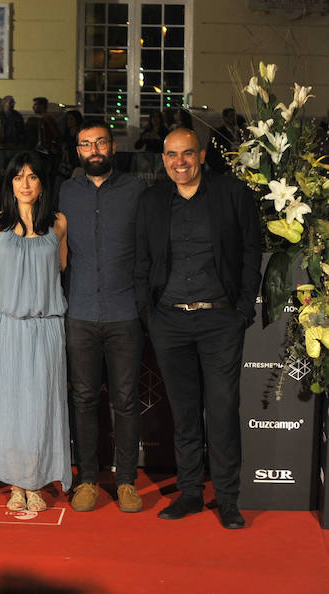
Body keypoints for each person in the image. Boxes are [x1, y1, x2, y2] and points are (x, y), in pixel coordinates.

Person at [135, 128, 261, 529]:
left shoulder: (231, 194)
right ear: (164, 159)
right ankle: (190, 492)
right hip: (168, 320)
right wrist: (149, 315)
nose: (179, 162)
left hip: (220, 319)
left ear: (202, 155)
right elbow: (141, 261)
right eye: (171, 155)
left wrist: (242, 308)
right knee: (185, 412)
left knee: (222, 411)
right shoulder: (152, 201)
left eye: (187, 153)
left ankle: (227, 498)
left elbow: (250, 250)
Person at [58, 120, 147, 513]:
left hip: (124, 312)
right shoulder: (65, 191)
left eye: (100, 143)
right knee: (83, 400)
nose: (93, 150)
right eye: (85, 144)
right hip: (78, 311)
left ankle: (126, 480)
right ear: (77, 151)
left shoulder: (136, 191)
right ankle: (88, 479)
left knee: (126, 401)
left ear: (113, 147)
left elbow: (148, 250)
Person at [0, 151, 70, 512]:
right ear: (10, 184)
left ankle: (37, 481)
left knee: (42, 406)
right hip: (8, 329)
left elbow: (61, 267)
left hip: (46, 328)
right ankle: (17, 484)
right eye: (19, 177)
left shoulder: (58, 223)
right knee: (9, 406)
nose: (25, 184)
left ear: (42, 183)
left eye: (32, 177)